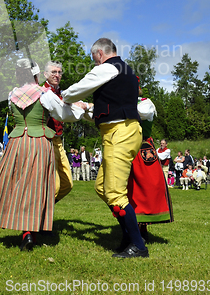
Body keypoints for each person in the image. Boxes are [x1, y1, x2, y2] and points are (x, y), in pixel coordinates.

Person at [0, 58, 86, 251]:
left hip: (17, 142)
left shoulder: (12, 94)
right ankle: (30, 232)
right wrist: (83, 108)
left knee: (14, 184)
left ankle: (22, 228)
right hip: (38, 142)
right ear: (36, 75)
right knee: (36, 187)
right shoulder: (44, 94)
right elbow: (63, 114)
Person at [62, 37, 149, 258]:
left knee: (115, 193)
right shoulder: (125, 70)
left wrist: (66, 98)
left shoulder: (108, 68)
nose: (94, 64)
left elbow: (73, 91)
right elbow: (110, 110)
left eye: (94, 59)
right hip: (121, 131)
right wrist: (89, 109)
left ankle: (138, 245)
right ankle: (129, 235)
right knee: (102, 187)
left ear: (100, 54)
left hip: (119, 134)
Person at [127, 91, 174, 242]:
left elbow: (144, 112)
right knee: (129, 188)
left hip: (143, 149)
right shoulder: (123, 101)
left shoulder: (145, 103)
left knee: (146, 188)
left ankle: (142, 228)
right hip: (127, 148)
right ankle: (131, 226)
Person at [43, 61, 74, 202]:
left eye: (59, 72)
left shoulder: (62, 94)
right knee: (54, 186)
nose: (57, 75)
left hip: (59, 141)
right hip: (46, 140)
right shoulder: (42, 93)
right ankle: (40, 217)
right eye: (53, 72)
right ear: (45, 75)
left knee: (67, 184)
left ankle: (43, 209)